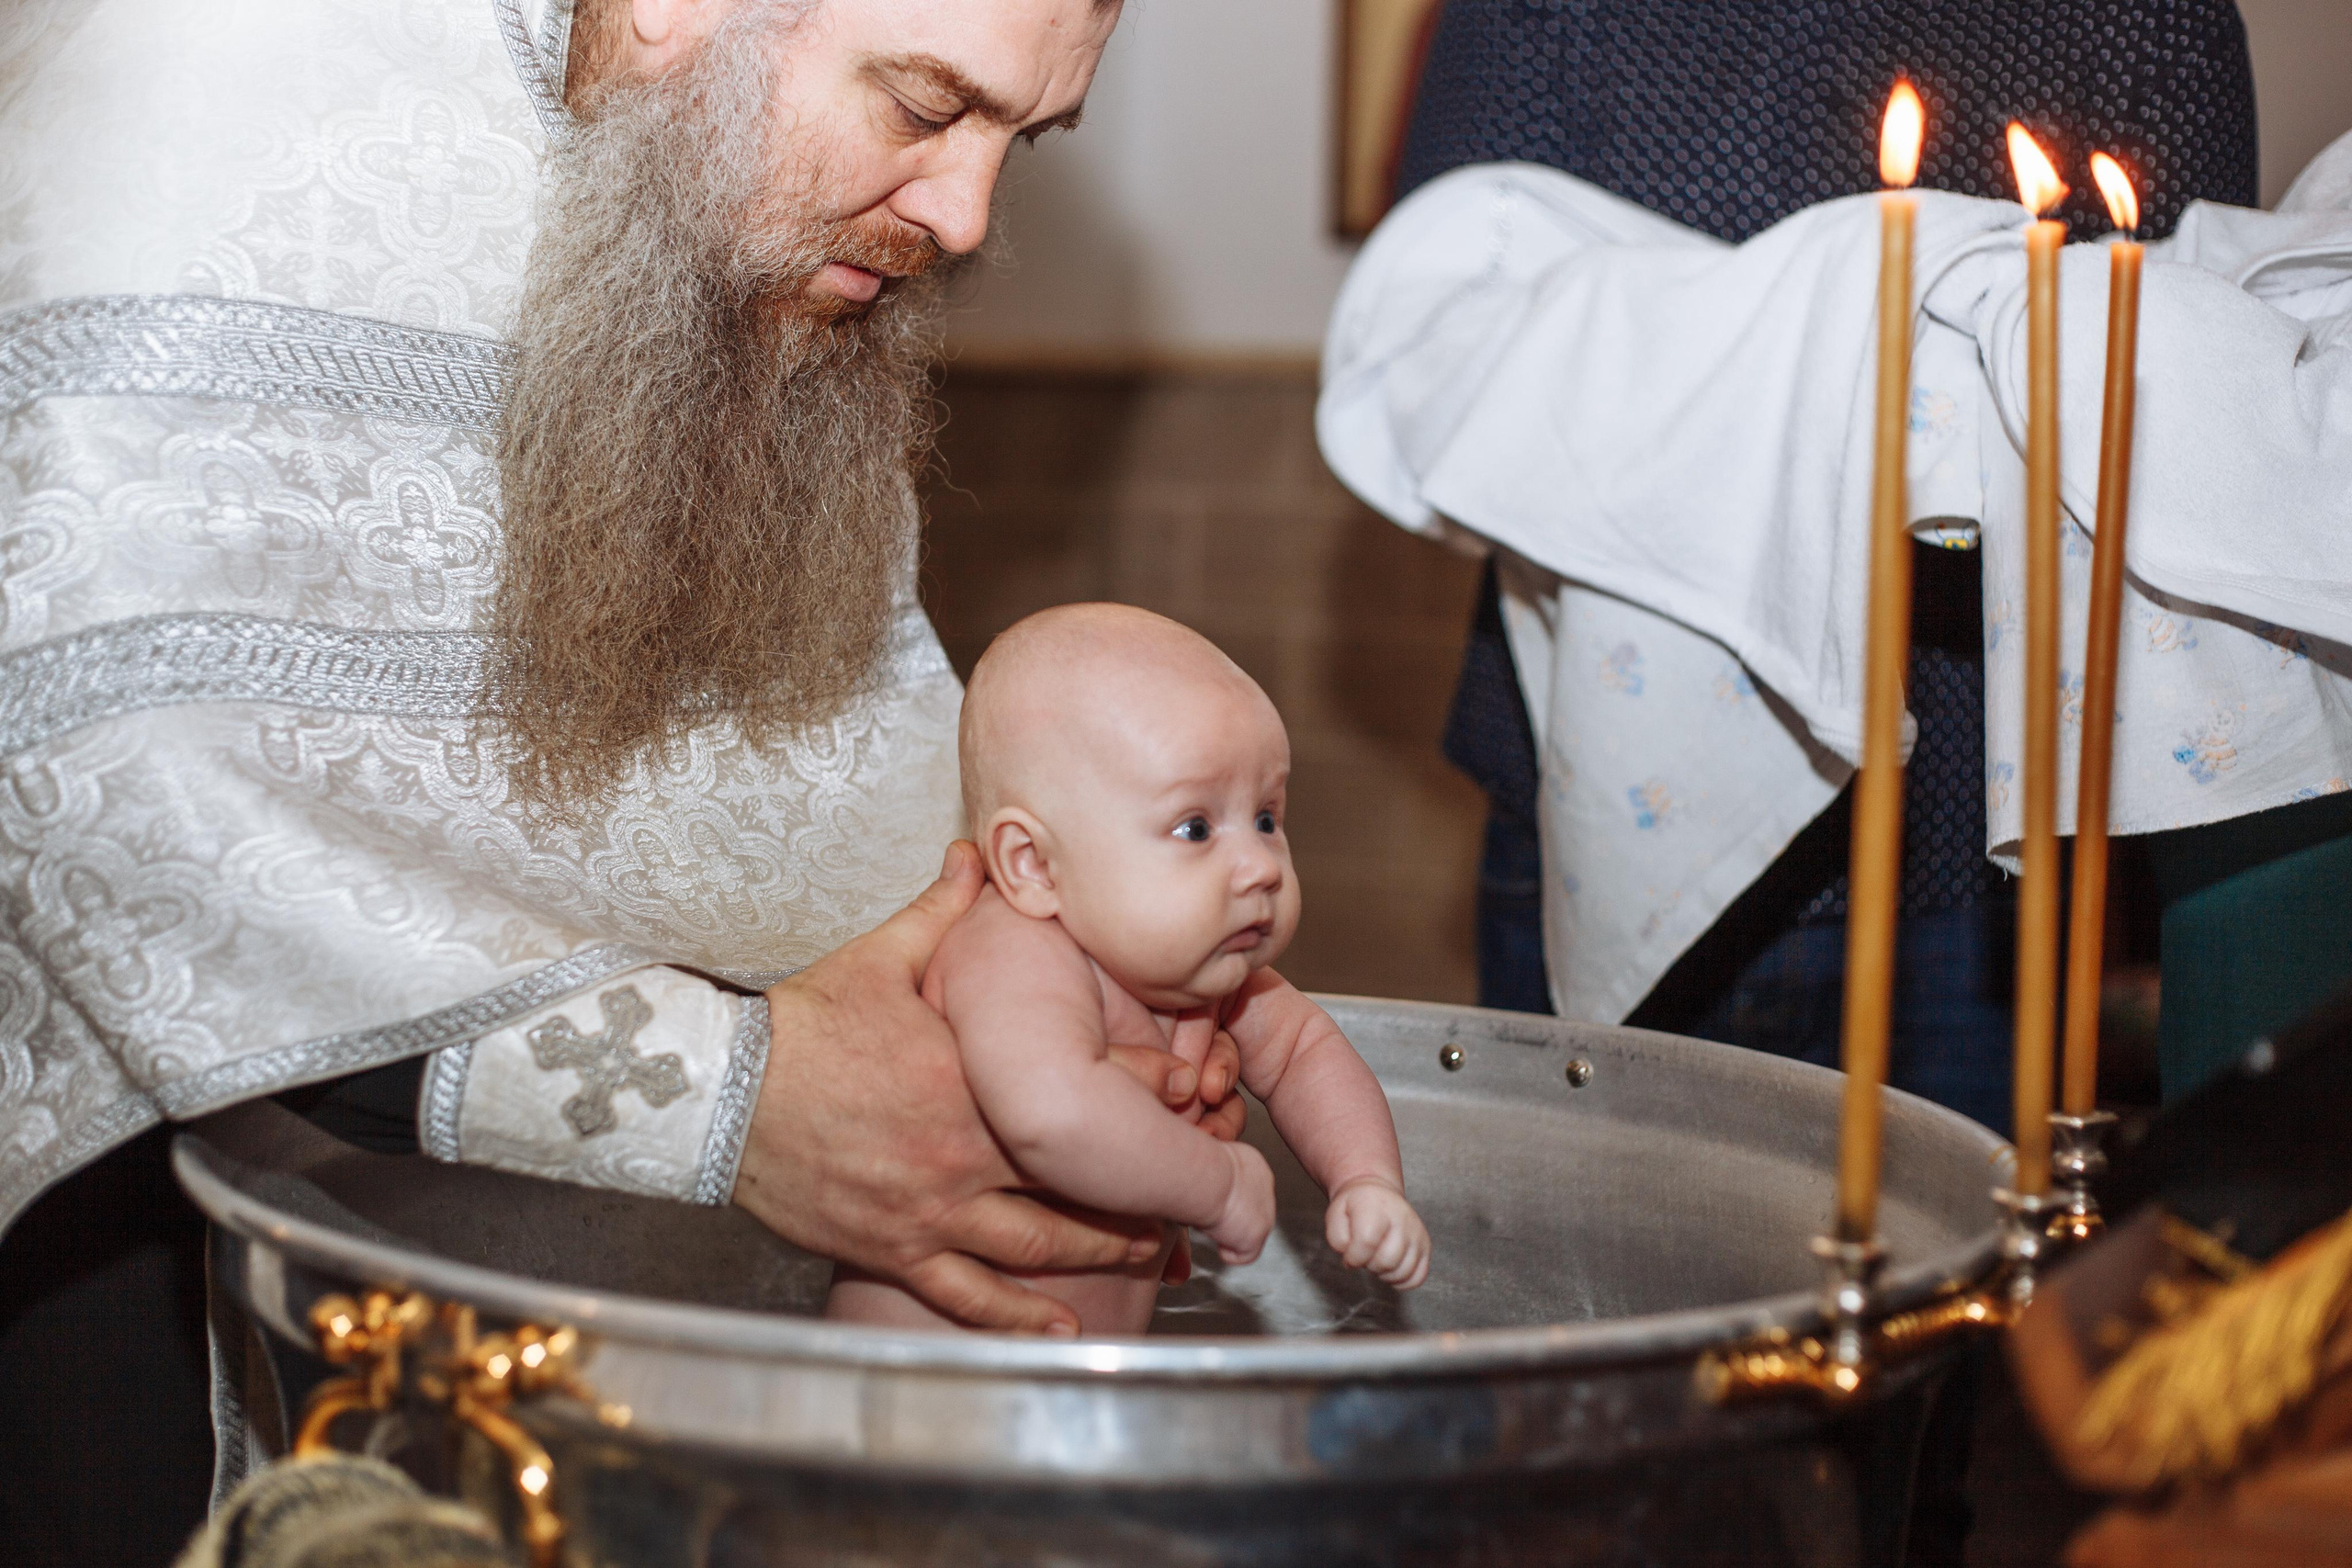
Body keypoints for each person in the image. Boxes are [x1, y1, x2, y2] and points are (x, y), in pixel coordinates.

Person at [0, 0, 1249, 1559]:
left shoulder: (760, 217)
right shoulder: (200, 76)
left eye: (1025, 142)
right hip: (97, 1223)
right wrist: (732, 1097)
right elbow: (90, 769)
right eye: (926, 108)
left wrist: (1051, 977)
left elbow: (800, 750)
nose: (970, 215)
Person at [1368, 0, 2266, 1134]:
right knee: (1593, 1261)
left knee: (1956, 1279)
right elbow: (1435, 341)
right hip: (1597, 769)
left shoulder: (2142, 18)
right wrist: (1790, 358)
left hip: (1970, 843)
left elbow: (2182, 383)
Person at [827, 605, 1430, 1334]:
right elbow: (1050, 1111)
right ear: (1033, 864)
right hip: (918, 1400)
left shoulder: (1206, 975)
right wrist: (1218, 1183)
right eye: (1196, 827)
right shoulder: (1016, 953)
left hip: (1073, 1393)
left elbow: (1309, 1052)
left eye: (1267, 816)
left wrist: (1366, 1178)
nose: (1259, 867)